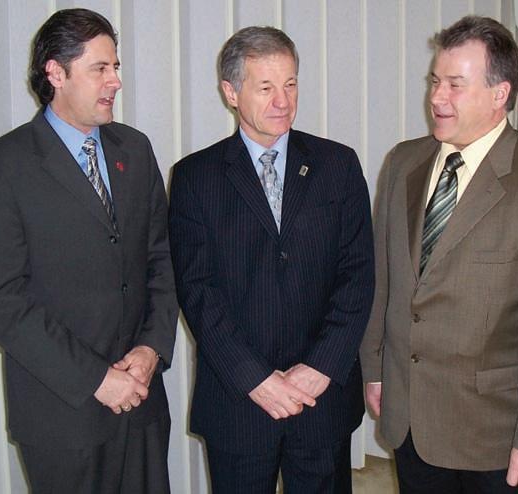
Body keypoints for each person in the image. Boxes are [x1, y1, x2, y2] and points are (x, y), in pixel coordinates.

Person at [360, 15, 518, 494]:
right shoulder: (403, 162)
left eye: (455, 84)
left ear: (499, 93)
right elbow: (384, 279)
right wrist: (376, 368)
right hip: (410, 417)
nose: (436, 97)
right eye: (435, 81)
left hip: (494, 437)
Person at [0, 8, 178, 493]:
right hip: (62, 416)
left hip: (142, 401)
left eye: (115, 67)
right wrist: (97, 379)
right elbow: (4, 301)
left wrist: (151, 349)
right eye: (100, 68)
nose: (115, 81)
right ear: (56, 73)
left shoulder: (135, 149)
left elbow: (160, 261)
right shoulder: (2, 167)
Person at [169, 26, 374, 493]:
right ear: (231, 92)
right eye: (265, 87)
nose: (283, 101)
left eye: (291, 84)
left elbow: (358, 275)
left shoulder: (338, 165)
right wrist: (255, 379)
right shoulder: (195, 177)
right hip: (239, 401)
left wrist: (321, 367)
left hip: (321, 398)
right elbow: (197, 291)